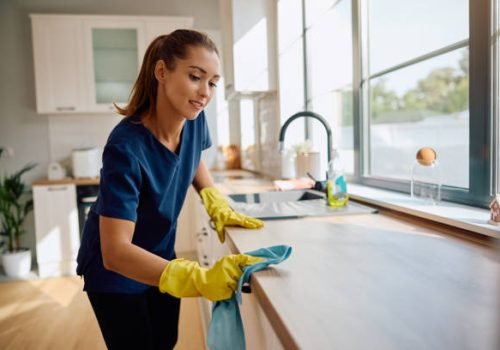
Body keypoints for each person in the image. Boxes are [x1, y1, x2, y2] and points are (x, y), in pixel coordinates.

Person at [76, 29, 264, 350]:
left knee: (166, 340)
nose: (205, 92)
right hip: (117, 273)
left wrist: (213, 198)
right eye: (195, 77)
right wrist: (199, 278)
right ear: (162, 72)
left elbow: (193, 160)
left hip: (161, 254)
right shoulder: (125, 147)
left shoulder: (193, 118)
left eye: (213, 82)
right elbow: (116, 252)